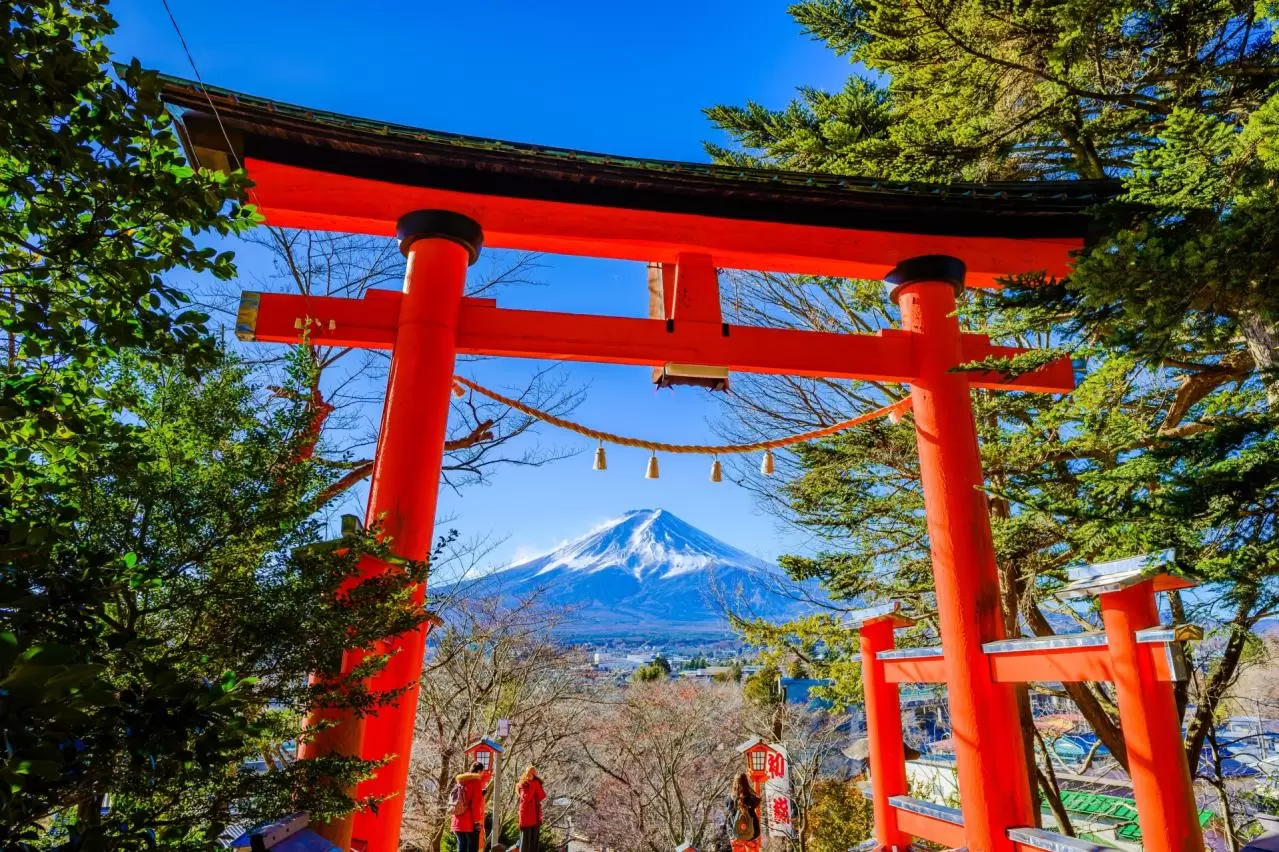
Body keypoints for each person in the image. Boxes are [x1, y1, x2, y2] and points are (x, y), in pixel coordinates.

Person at [451, 762, 487, 852]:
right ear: (479, 771)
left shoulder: (460, 781)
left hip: (457, 819)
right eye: (482, 772)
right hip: (469, 822)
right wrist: (477, 822)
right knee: (472, 848)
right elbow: (475, 804)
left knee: (461, 846)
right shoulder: (476, 781)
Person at [516, 766, 547, 852]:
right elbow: (527, 798)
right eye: (530, 773)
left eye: (533, 773)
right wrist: (533, 785)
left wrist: (536, 784)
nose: (531, 775)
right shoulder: (523, 784)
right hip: (526, 817)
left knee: (534, 843)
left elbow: (542, 796)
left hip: (536, 817)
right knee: (525, 843)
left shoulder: (536, 783)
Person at [728, 773, 760, 844]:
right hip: (752, 833)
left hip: (736, 834)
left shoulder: (730, 798)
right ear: (746, 782)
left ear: (735, 783)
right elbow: (758, 800)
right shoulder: (751, 797)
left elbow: (728, 808)